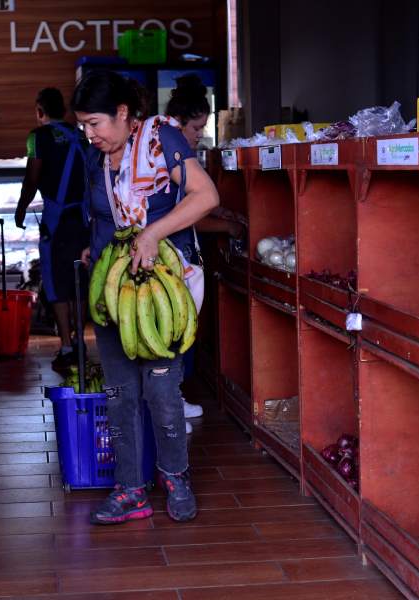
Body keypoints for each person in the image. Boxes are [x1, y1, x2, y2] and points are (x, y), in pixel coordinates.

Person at [73, 70, 219, 523]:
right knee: (119, 393)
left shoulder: (162, 137)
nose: (89, 133)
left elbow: (205, 195)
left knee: (160, 389)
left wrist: (153, 232)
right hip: (116, 292)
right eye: (82, 125)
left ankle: (176, 476)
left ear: (122, 113)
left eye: (94, 123)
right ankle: (130, 488)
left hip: (161, 292)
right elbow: (102, 216)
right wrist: (94, 251)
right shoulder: (96, 157)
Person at [165, 74, 246, 432]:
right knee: (173, 331)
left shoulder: (181, 158)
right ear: (178, 124)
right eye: (196, 127)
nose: (200, 134)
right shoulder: (168, 155)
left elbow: (194, 204)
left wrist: (218, 212)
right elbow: (180, 218)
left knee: (182, 330)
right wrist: (225, 226)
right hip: (172, 256)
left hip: (183, 255)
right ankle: (169, 403)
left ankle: (173, 398)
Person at [15, 88, 89, 373]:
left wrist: (22, 208)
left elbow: (32, 177)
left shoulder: (38, 137)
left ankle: (68, 346)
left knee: (56, 283)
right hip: (83, 219)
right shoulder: (82, 135)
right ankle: (81, 342)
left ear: (39, 110)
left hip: (56, 221)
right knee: (79, 281)